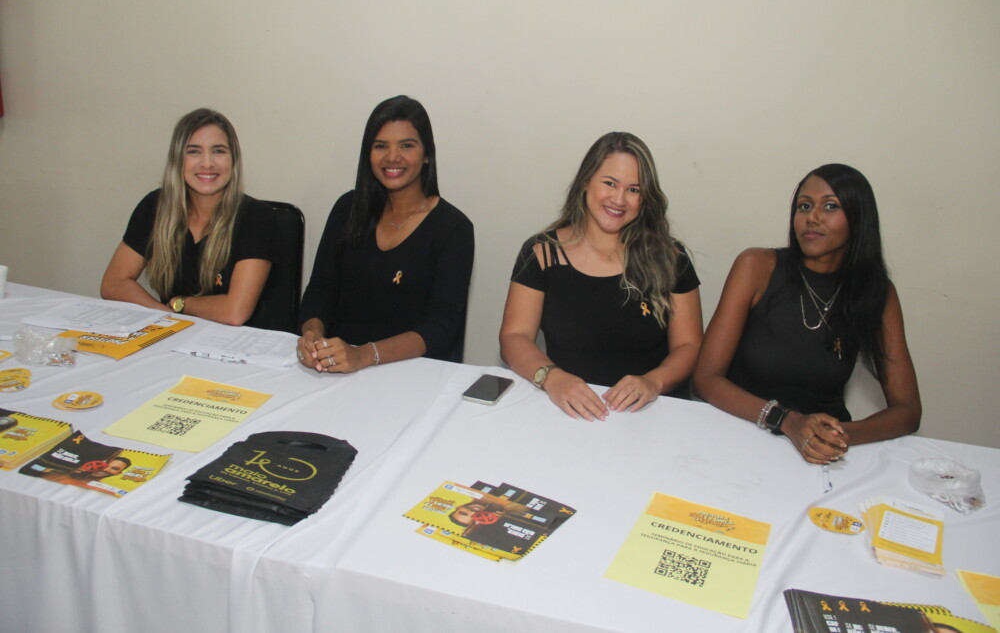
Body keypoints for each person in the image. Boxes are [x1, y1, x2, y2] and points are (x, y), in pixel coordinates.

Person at [693, 163, 921, 464]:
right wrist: (788, 421)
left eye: (830, 206)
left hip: (823, 453)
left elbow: (907, 411)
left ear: (858, 218)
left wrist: (833, 436)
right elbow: (705, 379)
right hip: (743, 432)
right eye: (804, 206)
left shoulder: (877, 292)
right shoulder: (756, 266)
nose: (812, 217)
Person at [499, 132, 703, 422]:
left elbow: (690, 346)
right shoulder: (542, 253)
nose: (619, 199)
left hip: (650, 415)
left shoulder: (671, 257)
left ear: (645, 198)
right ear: (585, 181)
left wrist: (653, 382)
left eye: (634, 189)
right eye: (609, 183)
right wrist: (552, 377)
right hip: (568, 414)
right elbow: (514, 337)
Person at [298, 95, 474, 372]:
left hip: (411, 374)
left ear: (427, 154)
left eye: (406, 145)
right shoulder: (347, 208)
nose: (392, 157)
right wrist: (312, 335)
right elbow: (320, 289)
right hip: (335, 368)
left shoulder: (453, 228)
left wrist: (364, 355)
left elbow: (443, 325)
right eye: (380, 146)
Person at [101, 108, 275, 326]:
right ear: (177, 159)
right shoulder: (156, 206)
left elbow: (234, 313)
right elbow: (113, 283)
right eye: (193, 151)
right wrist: (165, 315)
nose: (207, 163)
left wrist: (179, 304)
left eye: (218, 151)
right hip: (176, 332)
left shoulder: (257, 217)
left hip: (236, 339)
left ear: (234, 159)